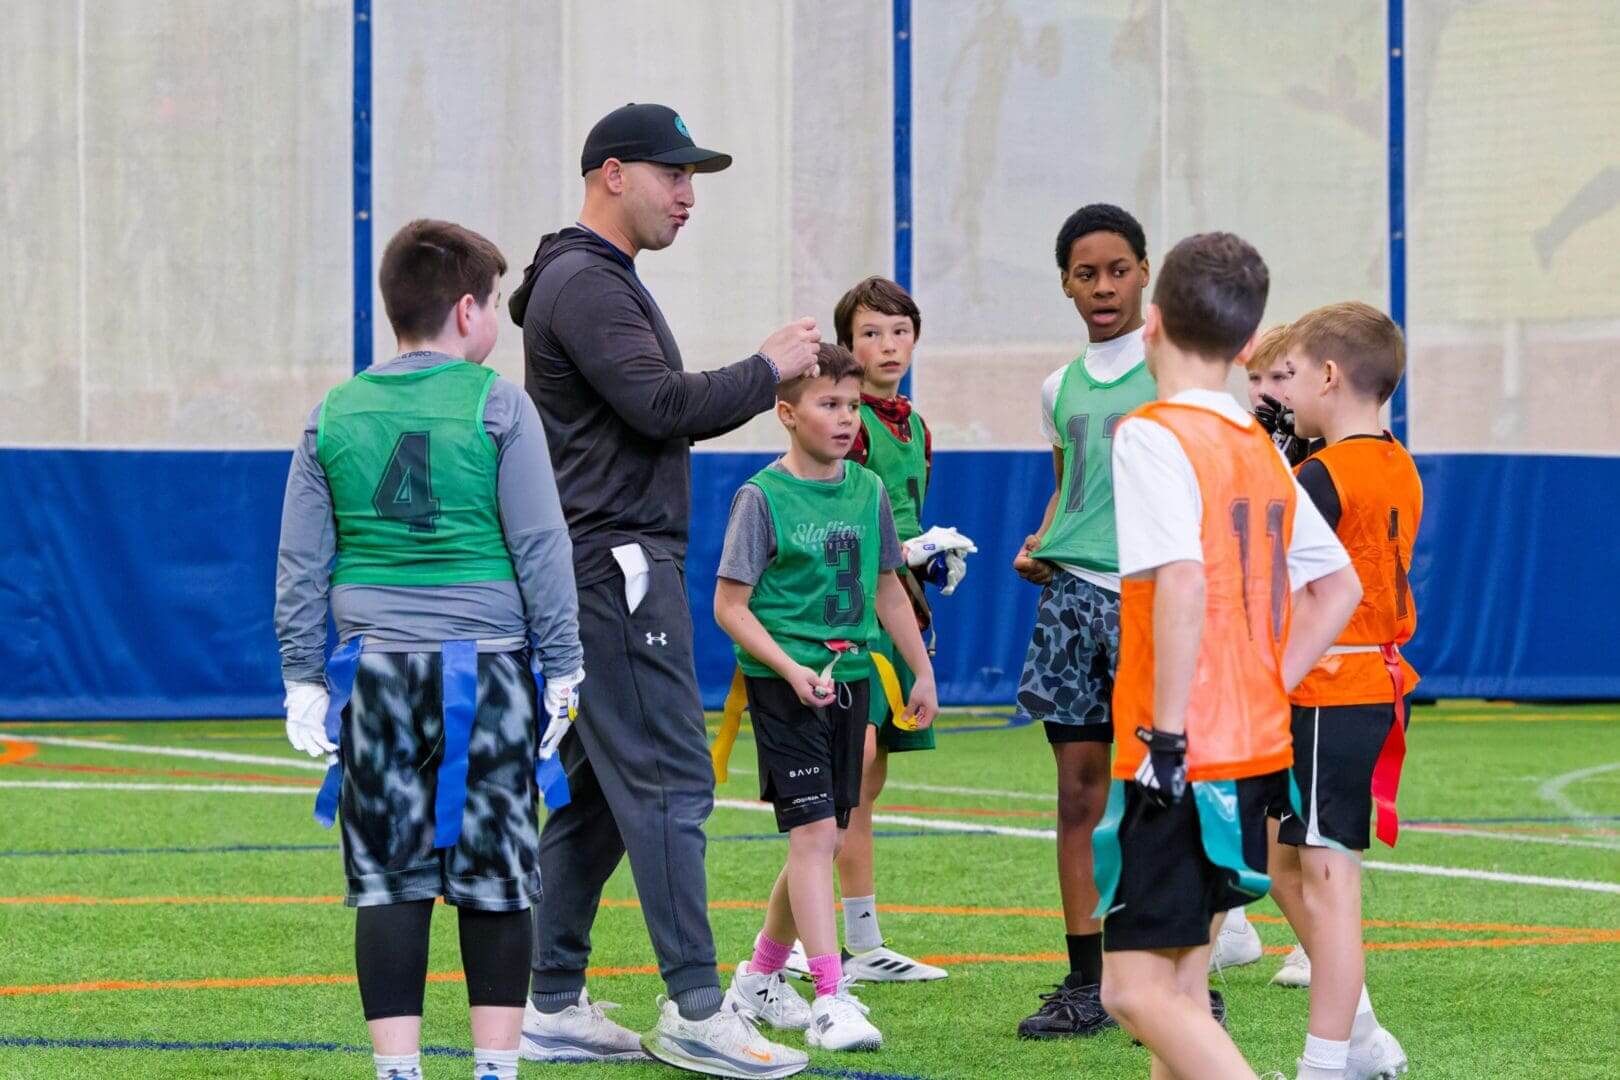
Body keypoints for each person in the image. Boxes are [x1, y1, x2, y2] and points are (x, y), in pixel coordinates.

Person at [507, 102, 821, 1076]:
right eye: (671, 174)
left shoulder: (591, 279)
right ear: (611, 173)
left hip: (606, 565)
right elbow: (661, 407)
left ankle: (551, 1001)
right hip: (618, 568)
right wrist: (769, 367)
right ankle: (694, 1006)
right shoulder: (588, 285)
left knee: (602, 797)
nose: (688, 195)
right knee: (674, 782)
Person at [275, 219, 584, 1080]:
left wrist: (302, 674)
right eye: (492, 305)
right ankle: (494, 1070)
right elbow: (540, 545)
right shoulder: (497, 403)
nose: (495, 322)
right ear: (465, 310)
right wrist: (563, 664)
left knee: (388, 881)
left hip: (370, 673)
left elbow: (302, 561)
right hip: (488, 673)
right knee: (494, 879)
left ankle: (398, 1071)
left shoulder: (332, 411)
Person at [1095, 231, 1363, 1080]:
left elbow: (1179, 579)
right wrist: (1263, 682)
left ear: (1153, 322)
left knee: (1133, 995)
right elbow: (1336, 588)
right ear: (1250, 346)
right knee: (1178, 986)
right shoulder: (1259, 444)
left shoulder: (1153, 434)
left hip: (1180, 754)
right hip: (1253, 748)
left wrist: (1167, 739)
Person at [713, 344, 940, 1053]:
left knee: (828, 836)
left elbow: (885, 589)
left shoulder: (868, 489)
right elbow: (730, 606)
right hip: (789, 690)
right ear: (787, 412)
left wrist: (919, 668)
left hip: (851, 685)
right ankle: (832, 998)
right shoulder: (762, 497)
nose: (845, 418)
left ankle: (758, 978)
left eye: (851, 406)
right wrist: (785, 667)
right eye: (828, 405)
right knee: (813, 838)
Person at [1011, 204, 1157, 1039]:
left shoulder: (1175, 371)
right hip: (1069, 603)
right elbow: (1073, 487)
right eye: (1085, 273)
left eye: (1118, 270)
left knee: (1158, 794)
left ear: (1145, 271)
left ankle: (1174, 972)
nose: (1103, 287)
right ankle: (1084, 981)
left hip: (1150, 601)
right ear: (1066, 283)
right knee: (1077, 796)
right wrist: (1045, 539)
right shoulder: (1057, 387)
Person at [1268, 302, 1419, 1080]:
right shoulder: (1395, 458)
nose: (1281, 393)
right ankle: (1358, 1035)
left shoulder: (1320, 475)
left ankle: (1327, 1064)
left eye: (1289, 377)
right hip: (1351, 682)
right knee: (1285, 865)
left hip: (1334, 683)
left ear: (1329, 377)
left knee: (1328, 880)